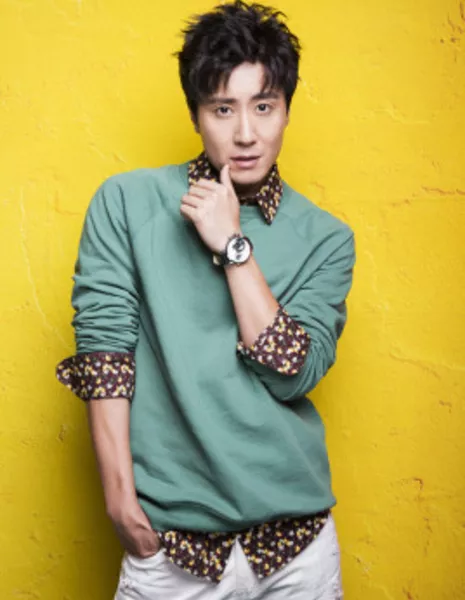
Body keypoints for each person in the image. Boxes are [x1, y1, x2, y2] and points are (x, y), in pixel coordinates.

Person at [56, 1, 355, 598]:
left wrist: (233, 245)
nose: (245, 133)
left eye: (263, 106)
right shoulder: (128, 203)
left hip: (295, 549)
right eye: (223, 108)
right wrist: (119, 499)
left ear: (287, 111)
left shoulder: (327, 239)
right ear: (196, 115)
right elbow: (105, 351)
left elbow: (291, 374)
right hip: (172, 549)